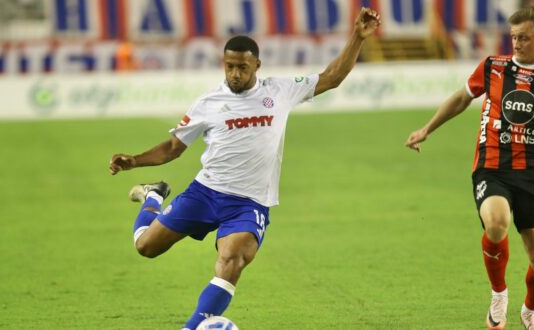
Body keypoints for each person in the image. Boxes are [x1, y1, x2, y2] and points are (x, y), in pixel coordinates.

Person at [109, 7, 380, 330]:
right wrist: (134, 161)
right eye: (229, 67)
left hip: (248, 203)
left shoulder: (280, 90)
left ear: (257, 66)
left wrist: (357, 38)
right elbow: (172, 148)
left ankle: (192, 326)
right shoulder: (207, 103)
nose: (235, 74)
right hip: (205, 192)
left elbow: (332, 77)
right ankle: (153, 197)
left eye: (242, 67)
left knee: (231, 261)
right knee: (146, 247)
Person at [405, 5, 534, 330]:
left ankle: (529, 312)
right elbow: (462, 97)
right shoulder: (494, 67)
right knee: (497, 222)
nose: (516, 43)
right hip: (491, 166)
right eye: (513, 37)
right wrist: (427, 128)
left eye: (523, 38)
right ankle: (499, 294)